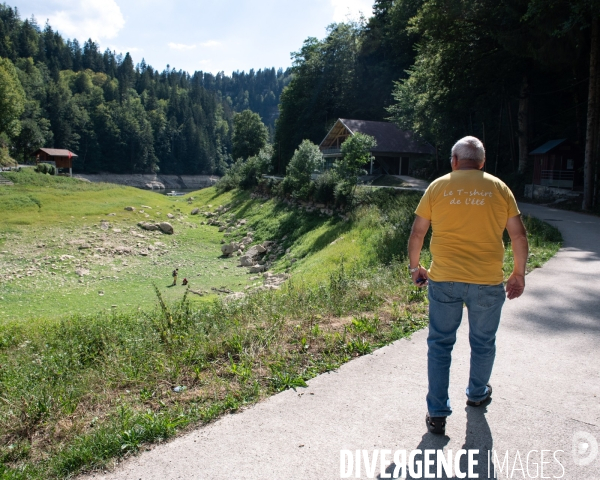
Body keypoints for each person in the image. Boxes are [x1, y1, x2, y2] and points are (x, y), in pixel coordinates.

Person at [407, 136, 528, 435]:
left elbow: (418, 232)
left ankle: (437, 413)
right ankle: (476, 394)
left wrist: (415, 267)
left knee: (440, 344)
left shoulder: (438, 186)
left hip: (444, 279)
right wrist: (518, 273)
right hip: (487, 281)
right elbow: (518, 235)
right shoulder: (499, 188)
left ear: (454, 161)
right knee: (483, 342)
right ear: (483, 163)